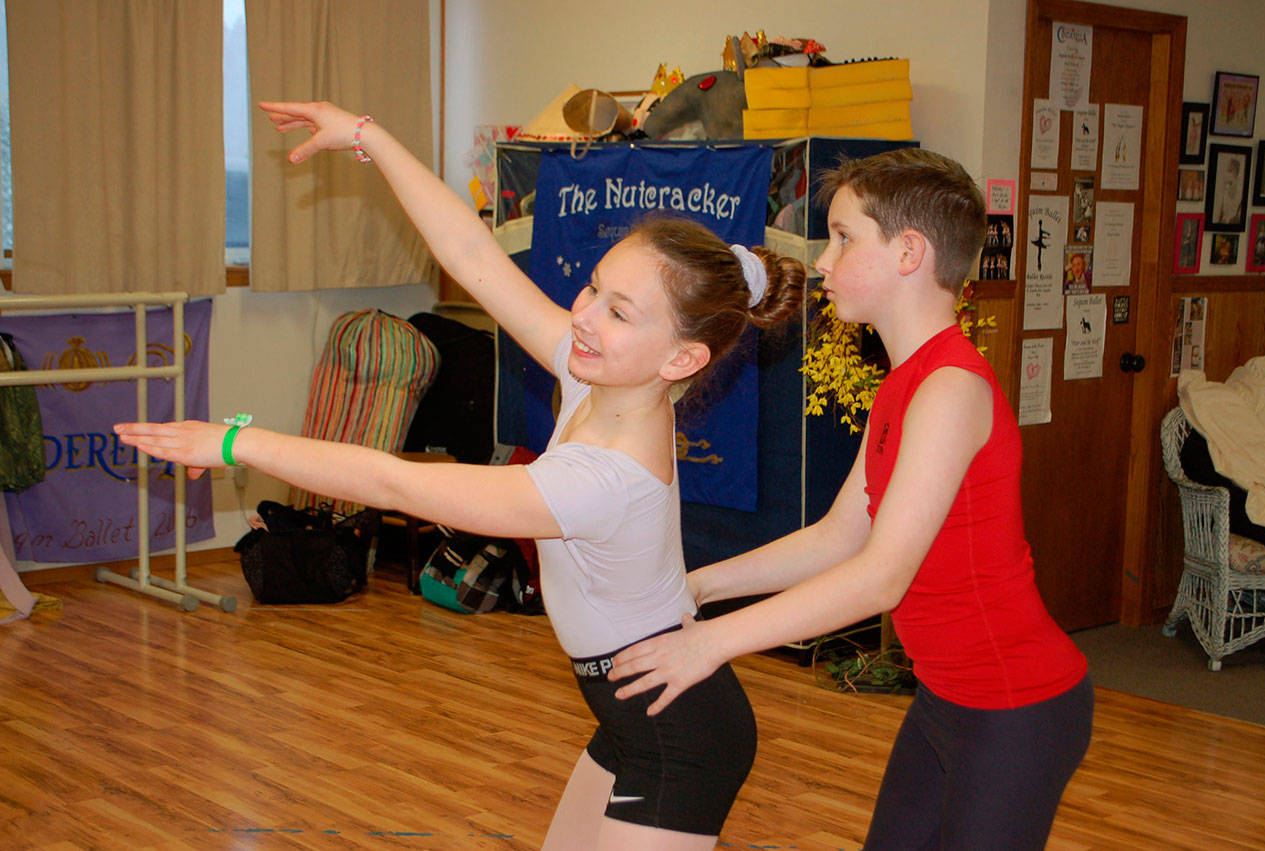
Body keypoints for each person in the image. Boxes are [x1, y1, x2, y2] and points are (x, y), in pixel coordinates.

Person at [115, 100, 805, 850]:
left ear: (681, 360)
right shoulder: (598, 382)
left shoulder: (604, 480)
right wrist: (369, 137)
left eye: (618, 311)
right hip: (633, 708)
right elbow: (474, 259)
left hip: (678, 733)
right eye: (593, 287)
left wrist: (236, 443)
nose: (582, 315)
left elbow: (396, 483)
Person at [608, 147, 1094, 850]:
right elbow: (841, 535)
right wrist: (699, 585)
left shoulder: (952, 387)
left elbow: (880, 575)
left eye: (842, 237)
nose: (824, 261)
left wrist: (711, 644)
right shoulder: (902, 384)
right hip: (945, 698)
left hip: (1015, 708)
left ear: (908, 252)